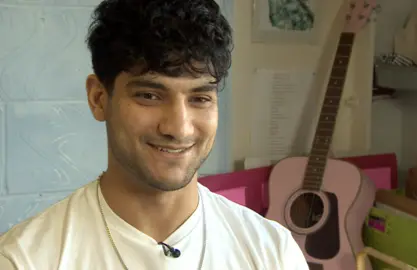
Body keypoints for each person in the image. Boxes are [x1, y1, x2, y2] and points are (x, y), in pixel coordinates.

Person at [0, 0, 309, 269]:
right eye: (149, 95)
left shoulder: (271, 253)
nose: (178, 128)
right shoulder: (26, 259)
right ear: (98, 98)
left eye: (200, 98)